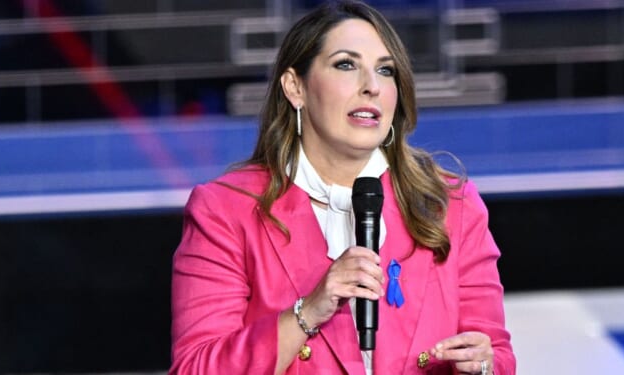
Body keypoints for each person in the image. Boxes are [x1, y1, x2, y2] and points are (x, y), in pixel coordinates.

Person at [169, 1, 515, 374]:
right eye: (346, 65)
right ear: (295, 87)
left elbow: (496, 355)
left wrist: (482, 366)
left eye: (385, 70)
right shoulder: (226, 210)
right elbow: (195, 368)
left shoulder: (451, 205)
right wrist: (307, 311)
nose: (371, 87)